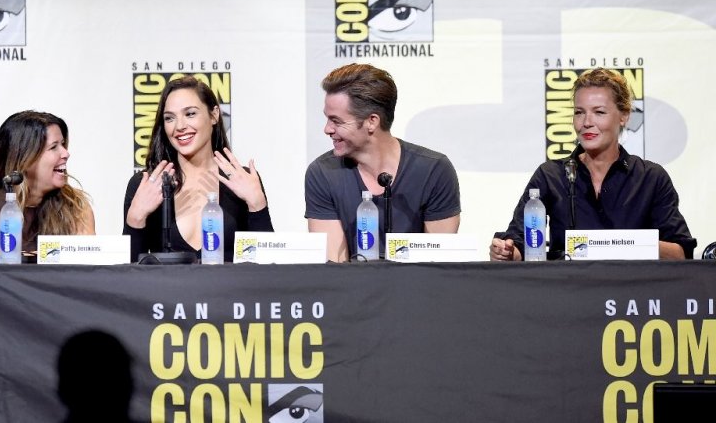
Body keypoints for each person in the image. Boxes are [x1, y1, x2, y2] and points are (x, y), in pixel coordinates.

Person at [490, 68, 696, 261]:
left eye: (599, 112)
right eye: (579, 112)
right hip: (566, 292)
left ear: (624, 116)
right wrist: (507, 252)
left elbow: (680, 252)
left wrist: (625, 244)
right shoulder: (551, 175)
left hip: (630, 293)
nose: (586, 122)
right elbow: (519, 244)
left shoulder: (651, 178)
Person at [305, 63, 461, 262]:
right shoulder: (322, 173)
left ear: (372, 121)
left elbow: (439, 264)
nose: (327, 129)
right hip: (352, 291)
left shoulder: (434, 170)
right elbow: (334, 267)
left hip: (416, 290)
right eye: (328, 119)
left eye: (337, 121)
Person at [123, 76, 273, 262]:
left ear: (214, 115)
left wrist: (257, 206)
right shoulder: (145, 184)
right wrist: (135, 218)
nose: (180, 126)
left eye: (190, 114)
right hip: (167, 291)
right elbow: (128, 273)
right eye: (170, 118)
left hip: (228, 290)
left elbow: (265, 270)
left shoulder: (242, 179)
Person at [0, 111, 95, 264]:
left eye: (63, 145)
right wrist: (35, 256)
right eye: (54, 147)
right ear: (25, 158)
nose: (66, 153)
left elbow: (88, 256)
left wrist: (23, 256)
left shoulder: (76, 205)